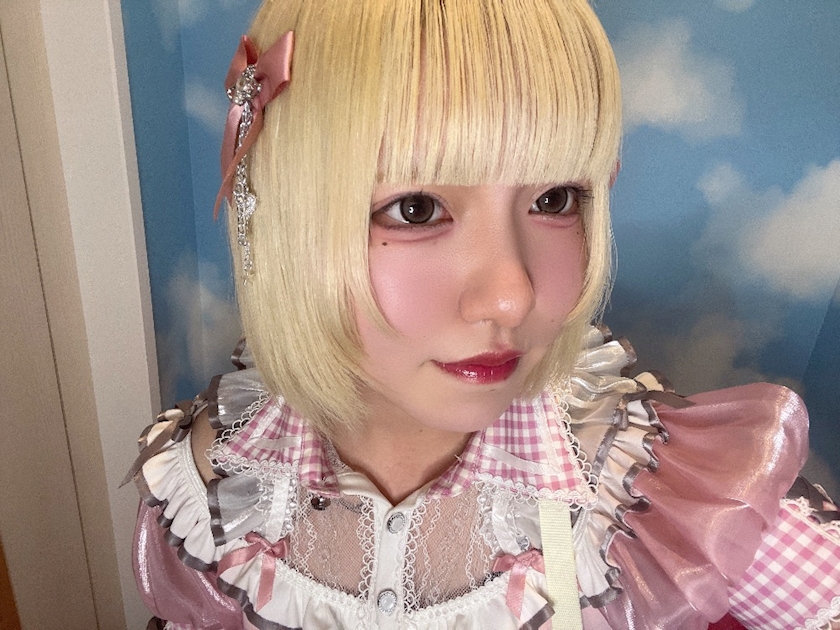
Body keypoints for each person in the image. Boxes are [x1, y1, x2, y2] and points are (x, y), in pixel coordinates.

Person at [127, 0, 840, 628]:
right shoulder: (213, 494)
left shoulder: (650, 497)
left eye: (556, 200)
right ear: (283, 222)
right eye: (416, 209)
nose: (512, 296)